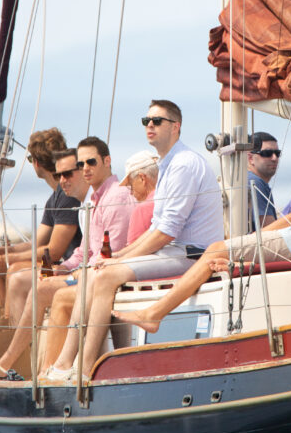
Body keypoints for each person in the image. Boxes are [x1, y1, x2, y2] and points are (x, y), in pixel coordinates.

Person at [116, 115, 291, 337]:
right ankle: (156, 312)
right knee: (221, 255)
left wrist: (257, 236)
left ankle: (155, 313)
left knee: (215, 250)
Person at [45, 99, 223, 380]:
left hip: (191, 254)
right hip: (173, 251)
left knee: (103, 277)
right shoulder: (169, 164)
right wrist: (117, 257)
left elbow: (167, 232)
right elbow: (156, 229)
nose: (149, 125)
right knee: (97, 270)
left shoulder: (184, 165)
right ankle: (67, 361)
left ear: (175, 127)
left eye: (157, 121)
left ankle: (85, 368)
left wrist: (122, 259)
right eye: (146, 121)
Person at [0, 136, 134, 378]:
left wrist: (71, 270)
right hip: (89, 273)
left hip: (103, 278)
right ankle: (32, 366)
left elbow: (108, 254)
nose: (85, 169)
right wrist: (63, 268)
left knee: (39, 289)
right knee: (39, 283)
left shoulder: (114, 198)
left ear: (107, 161)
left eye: (90, 163)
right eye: (82, 164)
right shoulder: (94, 200)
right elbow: (84, 250)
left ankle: (24, 367)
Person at [0, 127, 81, 314]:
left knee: (12, 269)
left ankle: (11, 328)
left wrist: (6, 259)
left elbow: (54, 252)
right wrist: (2, 252)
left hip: (69, 267)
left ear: (37, 162)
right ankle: (4, 324)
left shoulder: (67, 196)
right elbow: (37, 243)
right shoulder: (55, 198)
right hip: (60, 263)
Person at [121, 149, 159, 243]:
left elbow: (133, 250)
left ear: (142, 178)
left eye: (131, 185)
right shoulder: (176, 198)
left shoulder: (142, 209)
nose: (131, 192)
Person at [247, 131, 279, 230]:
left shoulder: (247, 179)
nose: (274, 158)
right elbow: (270, 231)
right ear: (251, 158)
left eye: (277, 153)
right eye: (267, 153)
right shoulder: (255, 182)